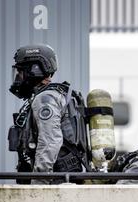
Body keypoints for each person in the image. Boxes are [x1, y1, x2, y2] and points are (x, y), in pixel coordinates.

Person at [8, 44, 89, 184]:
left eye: (20, 72)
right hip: (63, 179)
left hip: (56, 182)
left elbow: (49, 142)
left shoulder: (45, 99)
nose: (18, 78)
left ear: (34, 70)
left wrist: (39, 184)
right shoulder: (54, 95)